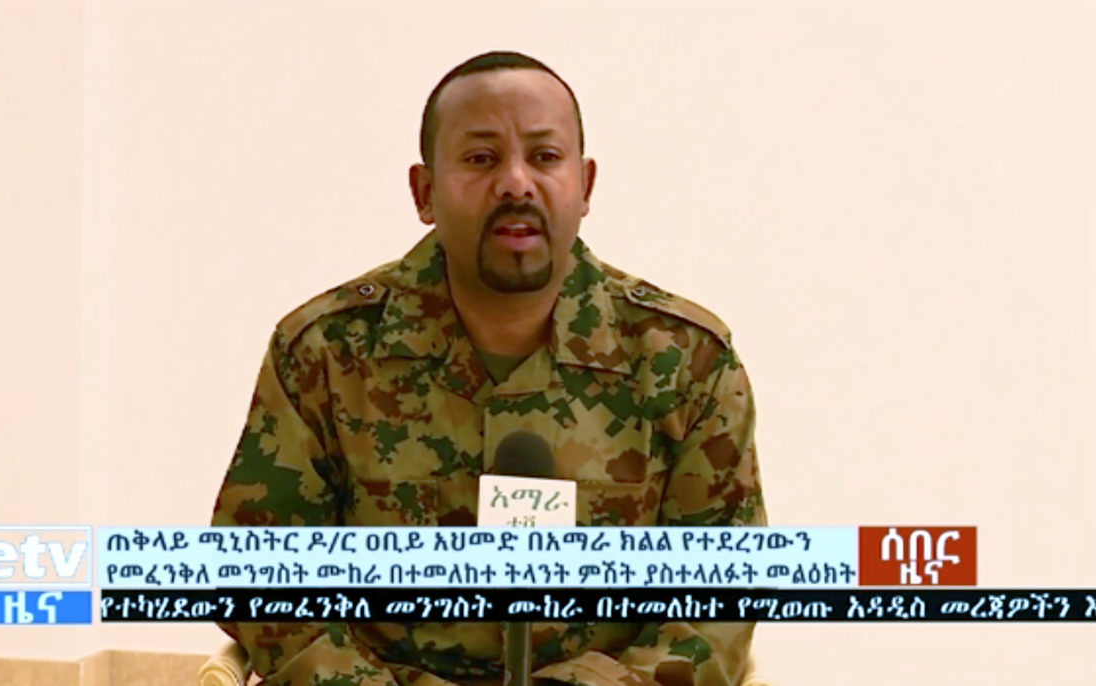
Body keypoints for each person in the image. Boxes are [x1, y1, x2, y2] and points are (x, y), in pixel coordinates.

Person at [212, 51, 766, 686]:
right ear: (424, 193)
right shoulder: (326, 353)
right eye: (481, 159)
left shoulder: (684, 361)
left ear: (585, 185)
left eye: (545, 156)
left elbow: (720, 599)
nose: (516, 183)